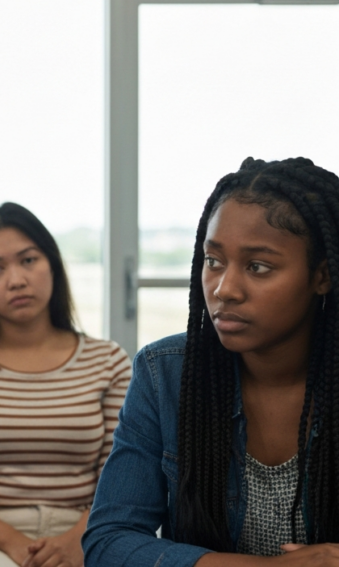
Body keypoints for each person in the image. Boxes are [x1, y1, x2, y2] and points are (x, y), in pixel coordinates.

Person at [84, 157, 339, 566]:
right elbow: (109, 541)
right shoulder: (165, 373)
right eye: (213, 261)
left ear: (322, 275)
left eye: (258, 267)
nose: (224, 288)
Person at [0, 202, 131, 567]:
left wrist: (75, 541)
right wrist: (15, 543)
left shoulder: (107, 361)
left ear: (52, 264)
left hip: (89, 531)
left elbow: (120, 478)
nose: (16, 280)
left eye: (28, 260)